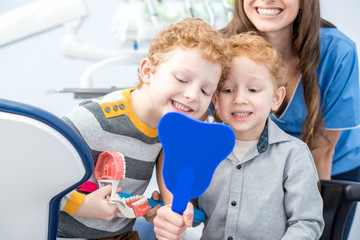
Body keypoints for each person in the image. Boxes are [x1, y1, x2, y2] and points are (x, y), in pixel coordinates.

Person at [57, 17, 230, 239]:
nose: (192, 96)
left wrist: (168, 210)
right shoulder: (97, 119)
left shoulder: (170, 128)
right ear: (148, 72)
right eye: (182, 79)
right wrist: (81, 204)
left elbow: (171, 179)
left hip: (120, 234)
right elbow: (37, 173)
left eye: (206, 91)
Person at [153, 31, 324, 240]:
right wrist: (176, 212)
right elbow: (193, 209)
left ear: (276, 98)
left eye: (253, 89)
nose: (240, 99)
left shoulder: (293, 155)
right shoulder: (202, 149)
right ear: (215, 99)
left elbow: (306, 223)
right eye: (228, 90)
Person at [220, 1, 360, 238]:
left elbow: (322, 151)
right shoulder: (223, 48)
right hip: (261, 164)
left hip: (329, 166)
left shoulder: (338, 52)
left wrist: (312, 223)